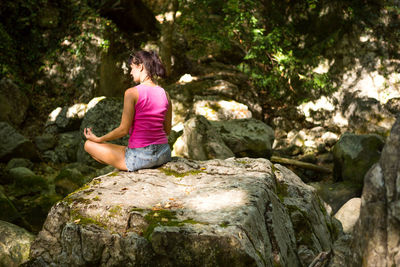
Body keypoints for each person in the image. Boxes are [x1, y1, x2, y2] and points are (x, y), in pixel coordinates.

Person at [83, 50, 172, 171]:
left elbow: (123, 130)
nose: (130, 72)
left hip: (141, 157)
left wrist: (99, 139)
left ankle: (127, 166)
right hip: (164, 154)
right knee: (123, 149)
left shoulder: (131, 93)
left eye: (131, 68)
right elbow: (167, 130)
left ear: (140, 66)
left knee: (89, 145)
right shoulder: (165, 94)